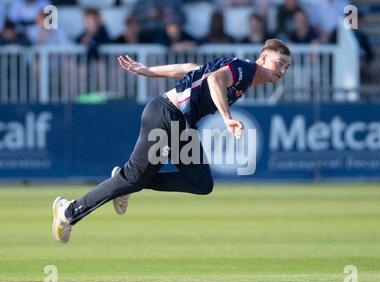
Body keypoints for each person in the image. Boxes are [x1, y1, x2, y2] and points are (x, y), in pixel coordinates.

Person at [51, 39, 291, 244]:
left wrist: (149, 71)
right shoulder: (245, 70)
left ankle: (125, 183)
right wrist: (227, 118)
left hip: (180, 123)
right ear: (263, 58)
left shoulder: (242, 73)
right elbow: (215, 80)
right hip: (166, 116)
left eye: (287, 66)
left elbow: (190, 68)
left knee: (201, 183)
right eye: (279, 63)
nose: (282, 70)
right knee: (132, 178)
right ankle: (69, 211)